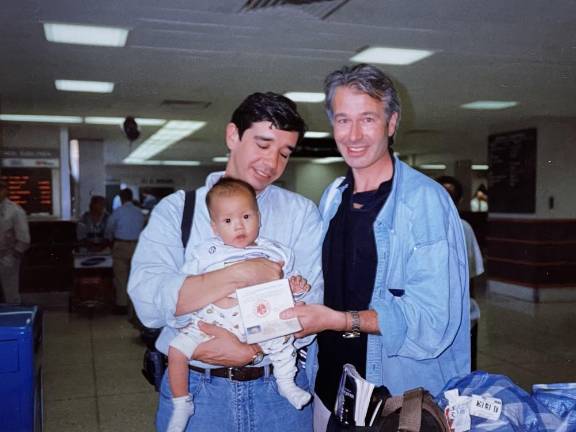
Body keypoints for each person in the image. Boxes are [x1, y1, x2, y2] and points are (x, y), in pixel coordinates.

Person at [280, 64, 470, 431]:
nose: (353, 135)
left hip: (395, 402)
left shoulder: (424, 201)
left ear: (392, 122)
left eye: (367, 119)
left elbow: (430, 321)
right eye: (342, 120)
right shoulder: (334, 196)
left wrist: (338, 320)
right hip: (330, 389)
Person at [128, 92, 323, 432]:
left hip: (278, 392)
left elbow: (312, 305)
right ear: (233, 135)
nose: (271, 163)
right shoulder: (178, 211)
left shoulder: (301, 214)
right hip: (197, 392)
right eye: (263, 145)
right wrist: (243, 273)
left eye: (284, 153)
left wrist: (248, 350)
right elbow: (148, 302)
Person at [167, 178, 311, 432]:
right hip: (212, 321)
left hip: (258, 320)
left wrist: (295, 287)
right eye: (228, 221)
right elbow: (182, 290)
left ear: (258, 216)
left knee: (282, 344)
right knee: (176, 351)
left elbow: (286, 291)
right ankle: (182, 402)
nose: (239, 226)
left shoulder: (275, 252)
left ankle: (286, 384)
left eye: (246, 216)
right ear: (214, 227)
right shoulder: (205, 252)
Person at [437, 175, 484, 370]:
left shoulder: (464, 228)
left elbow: (471, 275)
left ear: (459, 201)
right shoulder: (415, 228)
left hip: (462, 316)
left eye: (452, 196)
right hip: (431, 317)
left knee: (464, 371)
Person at [105, 188, 145, 314]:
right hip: (137, 247)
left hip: (121, 246)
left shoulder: (118, 212)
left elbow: (109, 229)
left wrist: (109, 240)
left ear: (121, 198)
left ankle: (121, 306)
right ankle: (135, 307)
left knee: (120, 278)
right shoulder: (139, 212)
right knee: (135, 278)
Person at [0, 180, 30, 304]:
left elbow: (24, 238)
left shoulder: (15, 211)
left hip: (7, 256)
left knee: (10, 293)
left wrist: (13, 256)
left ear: (5, 191)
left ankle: (14, 320)